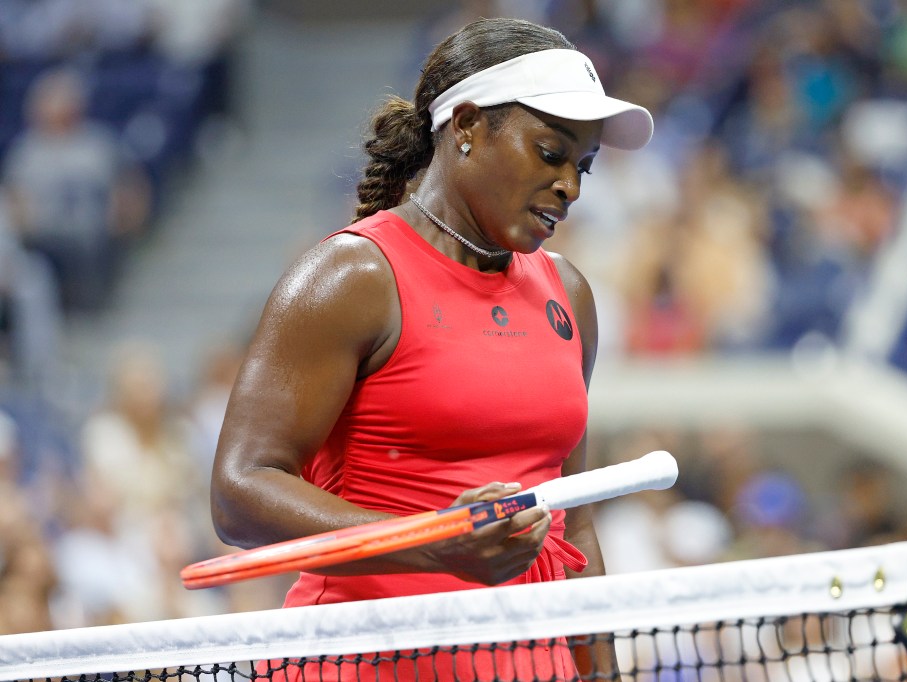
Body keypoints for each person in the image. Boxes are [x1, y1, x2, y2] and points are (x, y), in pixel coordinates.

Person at [209, 16, 652, 680]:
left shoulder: (570, 294)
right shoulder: (352, 278)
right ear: (468, 127)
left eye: (582, 165)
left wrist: (602, 673)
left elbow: (574, 527)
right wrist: (434, 546)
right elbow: (240, 492)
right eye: (551, 152)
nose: (572, 186)